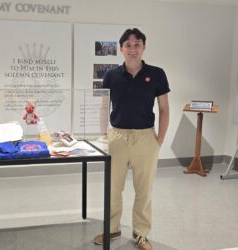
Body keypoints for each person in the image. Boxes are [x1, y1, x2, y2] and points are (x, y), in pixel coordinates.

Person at [94, 28, 170, 250]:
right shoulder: (110, 75)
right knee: (113, 188)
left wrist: (159, 141)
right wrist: (103, 136)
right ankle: (112, 229)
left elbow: (164, 109)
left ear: (143, 47)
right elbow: (103, 106)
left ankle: (141, 233)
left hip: (146, 138)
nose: (133, 49)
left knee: (144, 190)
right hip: (117, 136)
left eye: (137, 44)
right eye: (128, 45)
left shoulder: (157, 74)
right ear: (121, 49)